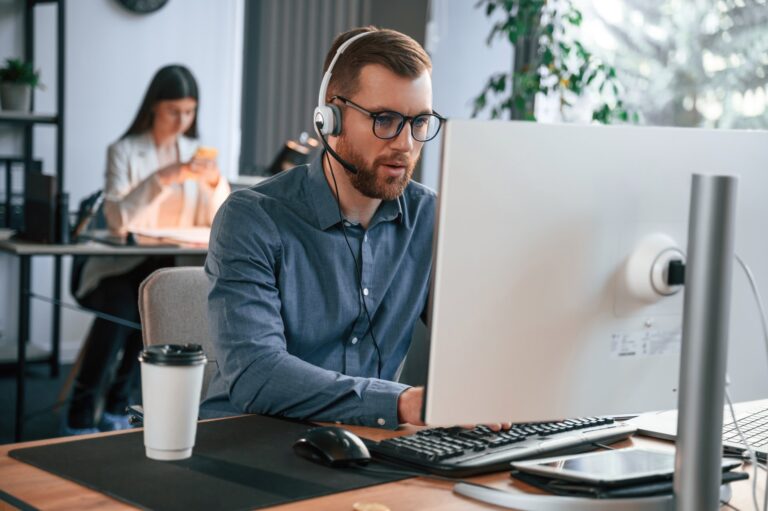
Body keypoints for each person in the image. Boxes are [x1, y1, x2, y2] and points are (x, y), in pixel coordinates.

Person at [201, 27, 441, 428]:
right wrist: (399, 403)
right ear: (330, 118)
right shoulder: (251, 219)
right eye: (385, 120)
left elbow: (476, 335)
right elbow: (257, 375)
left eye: (419, 122)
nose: (405, 144)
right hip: (247, 446)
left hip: (365, 446)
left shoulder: (427, 217)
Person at [64, 64, 230, 435]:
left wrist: (215, 182)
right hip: (120, 267)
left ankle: (118, 406)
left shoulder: (195, 152)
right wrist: (164, 178)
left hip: (171, 265)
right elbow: (118, 219)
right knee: (123, 309)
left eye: (190, 111)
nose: (183, 120)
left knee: (158, 309)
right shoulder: (124, 151)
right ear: (154, 106)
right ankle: (80, 409)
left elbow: (217, 218)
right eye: (174, 111)